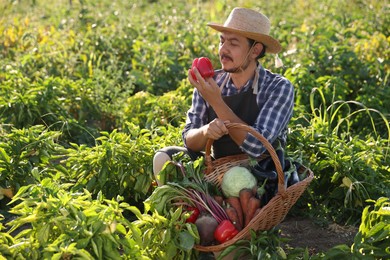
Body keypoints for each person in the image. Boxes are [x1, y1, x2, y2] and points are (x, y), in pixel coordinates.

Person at [153, 7, 294, 185]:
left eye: (233, 43)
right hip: (217, 170)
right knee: (163, 158)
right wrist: (206, 131)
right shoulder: (210, 82)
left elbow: (257, 147)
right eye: (221, 41)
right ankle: (179, 210)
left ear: (255, 51)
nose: (223, 50)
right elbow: (189, 140)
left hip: (260, 176)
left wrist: (216, 101)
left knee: (245, 186)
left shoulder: (278, 87)